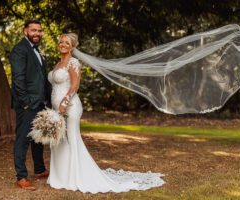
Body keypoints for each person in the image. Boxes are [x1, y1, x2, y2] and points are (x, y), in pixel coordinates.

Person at [47, 33, 165, 193]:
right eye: (61, 42)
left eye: (66, 42)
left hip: (70, 106)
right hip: (57, 108)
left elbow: (74, 86)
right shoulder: (58, 64)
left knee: (72, 139)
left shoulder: (73, 62)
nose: (62, 44)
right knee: (59, 139)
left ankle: (75, 177)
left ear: (72, 46)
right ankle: (60, 176)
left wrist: (64, 102)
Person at [10, 19, 52, 190]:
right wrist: (25, 103)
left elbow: (41, 77)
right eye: (33, 30)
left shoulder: (37, 50)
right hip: (27, 104)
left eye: (39, 31)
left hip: (41, 103)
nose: (37, 33)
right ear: (25, 31)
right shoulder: (20, 50)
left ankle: (40, 169)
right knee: (22, 139)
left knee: (38, 138)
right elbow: (18, 79)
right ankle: (21, 177)